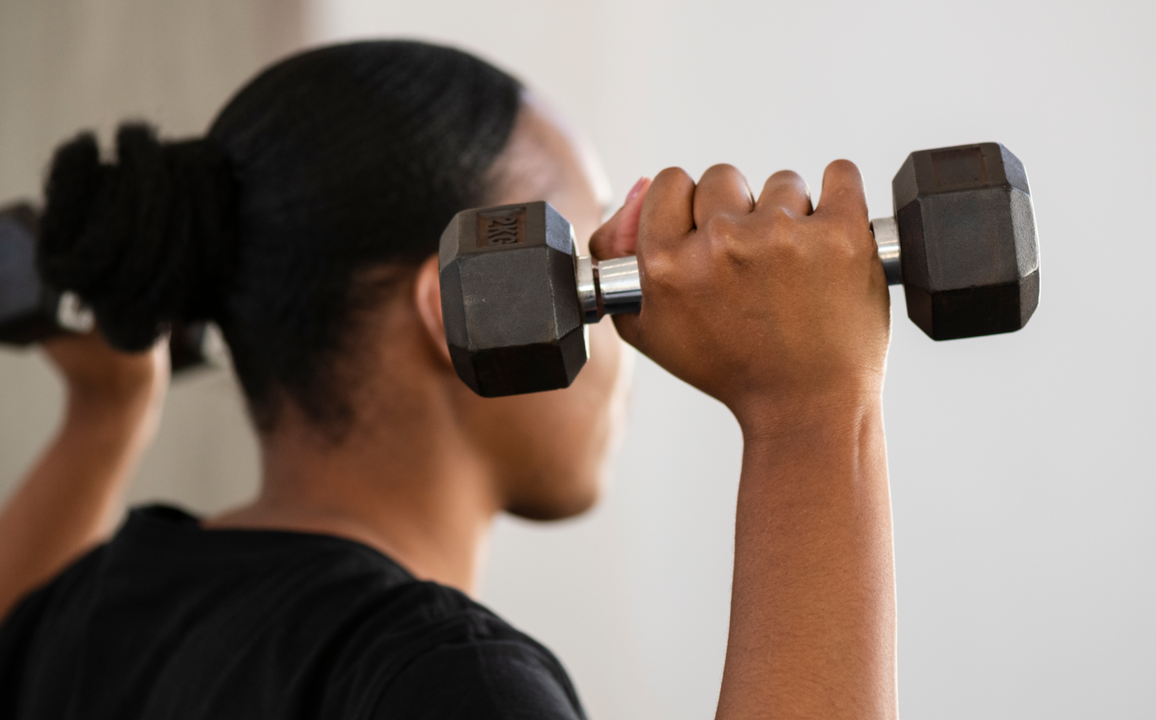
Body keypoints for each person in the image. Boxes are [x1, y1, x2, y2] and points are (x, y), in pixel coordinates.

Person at [0, 40, 896, 719]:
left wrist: (103, 415)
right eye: (584, 257)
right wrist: (810, 416)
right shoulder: (438, 679)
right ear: (457, 306)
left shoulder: (84, 611)